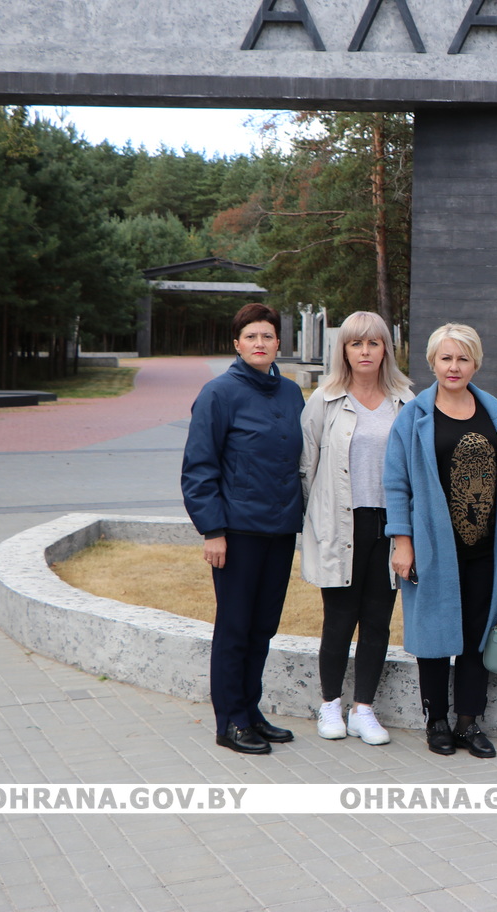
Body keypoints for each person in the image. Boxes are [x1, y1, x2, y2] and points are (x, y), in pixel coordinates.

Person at [383, 323, 497, 759]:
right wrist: (401, 542)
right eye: (446, 358)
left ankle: (468, 722)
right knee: (432, 635)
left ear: (476, 363)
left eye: (463, 358)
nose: (454, 366)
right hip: (431, 548)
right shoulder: (414, 418)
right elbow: (396, 484)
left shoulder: (496, 417)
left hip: (486, 549)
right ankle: (437, 722)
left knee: (475, 636)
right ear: (432, 362)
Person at [181, 302, 304, 756]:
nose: (259, 343)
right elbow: (198, 469)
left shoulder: (292, 395)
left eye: (267, 336)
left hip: (280, 530)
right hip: (237, 534)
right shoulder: (218, 394)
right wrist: (212, 530)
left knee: (263, 627)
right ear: (237, 343)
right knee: (234, 627)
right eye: (250, 336)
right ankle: (229, 720)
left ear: (277, 344)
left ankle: (251, 711)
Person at [300, 311, 414, 745]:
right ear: (343, 350)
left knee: (378, 620)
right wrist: (315, 525)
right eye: (355, 344)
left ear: (386, 349)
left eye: (373, 343)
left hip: (389, 525)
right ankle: (330, 703)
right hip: (339, 525)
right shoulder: (324, 401)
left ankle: (364, 707)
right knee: (339, 618)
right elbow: (305, 469)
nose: (365, 352)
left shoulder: (405, 400)